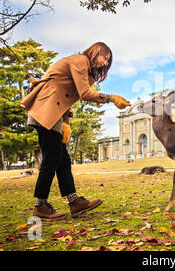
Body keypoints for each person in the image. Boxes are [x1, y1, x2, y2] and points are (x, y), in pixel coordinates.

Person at [21, 42, 131, 220]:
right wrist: (111, 98)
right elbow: (84, 93)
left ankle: (74, 202)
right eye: (105, 57)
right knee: (52, 158)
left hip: (53, 113)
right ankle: (40, 206)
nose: (105, 63)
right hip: (45, 110)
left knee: (62, 159)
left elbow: (65, 97)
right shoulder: (80, 60)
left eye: (108, 61)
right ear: (96, 52)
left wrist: (65, 123)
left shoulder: (83, 66)